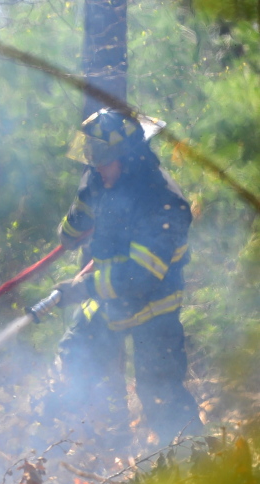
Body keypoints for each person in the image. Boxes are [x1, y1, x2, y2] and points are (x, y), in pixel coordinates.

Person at [50, 108, 202, 451]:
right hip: (109, 301)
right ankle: (101, 446)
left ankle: (200, 467)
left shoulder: (163, 201)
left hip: (153, 308)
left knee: (160, 394)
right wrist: (69, 232)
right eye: (91, 157)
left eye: (102, 158)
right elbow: (82, 211)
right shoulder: (99, 177)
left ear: (130, 158)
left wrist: (83, 288)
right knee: (75, 356)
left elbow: (140, 277)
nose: (96, 166)